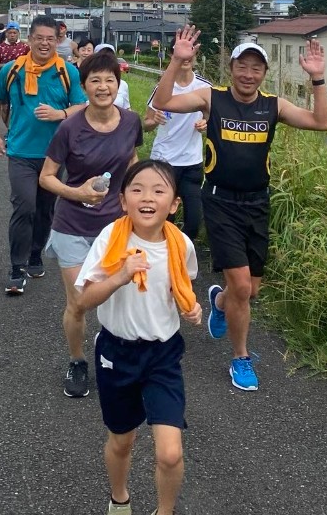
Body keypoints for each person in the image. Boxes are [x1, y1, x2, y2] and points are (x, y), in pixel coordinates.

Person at [151, 25, 327, 391]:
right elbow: (163, 103)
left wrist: (318, 79)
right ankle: (241, 358)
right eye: (242, 66)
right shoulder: (210, 98)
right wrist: (176, 61)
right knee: (243, 285)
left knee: (251, 290)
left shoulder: (273, 105)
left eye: (256, 68)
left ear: (264, 73)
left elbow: (320, 122)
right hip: (219, 201)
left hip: (257, 204)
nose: (248, 75)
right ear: (231, 68)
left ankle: (219, 302)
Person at [74, 159, 203, 515]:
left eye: (159, 190)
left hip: (163, 355)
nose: (148, 197)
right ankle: (120, 499)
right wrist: (119, 276)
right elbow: (83, 299)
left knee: (170, 452)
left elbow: (180, 286)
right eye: (138, 189)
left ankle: (165, 511)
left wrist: (191, 309)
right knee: (122, 441)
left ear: (174, 204)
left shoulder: (182, 245)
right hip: (117, 352)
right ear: (123, 200)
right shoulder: (111, 239)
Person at [39, 51, 144, 398]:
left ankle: (119, 356)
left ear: (118, 84)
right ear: (84, 86)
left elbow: (131, 159)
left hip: (115, 227)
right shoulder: (70, 128)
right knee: (81, 302)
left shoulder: (131, 122)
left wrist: (136, 197)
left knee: (119, 298)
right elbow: (46, 178)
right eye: (95, 80)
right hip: (71, 225)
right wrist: (76, 191)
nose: (103, 87)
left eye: (109, 80)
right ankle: (77, 360)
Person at [0, 15, 87, 295]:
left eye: (50, 39)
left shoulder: (68, 71)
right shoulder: (12, 69)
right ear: (29, 39)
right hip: (19, 151)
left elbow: (81, 105)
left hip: (55, 155)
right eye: (39, 38)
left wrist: (61, 114)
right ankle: (16, 268)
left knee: (45, 210)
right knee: (25, 207)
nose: (45, 43)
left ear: (58, 41)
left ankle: (35, 254)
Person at [143, 50, 211, 241]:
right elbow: (145, 124)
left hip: (192, 162)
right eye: (181, 55)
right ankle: (164, 258)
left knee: (193, 221)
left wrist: (205, 124)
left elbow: (212, 119)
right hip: (164, 161)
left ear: (195, 57)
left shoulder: (204, 87)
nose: (186, 59)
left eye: (191, 55)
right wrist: (154, 120)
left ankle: (181, 255)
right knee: (165, 217)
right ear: (174, 57)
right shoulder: (164, 87)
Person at [95, 43, 131, 110]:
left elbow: (127, 108)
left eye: (110, 55)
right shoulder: (88, 82)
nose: (106, 59)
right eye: (102, 56)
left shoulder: (123, 84)